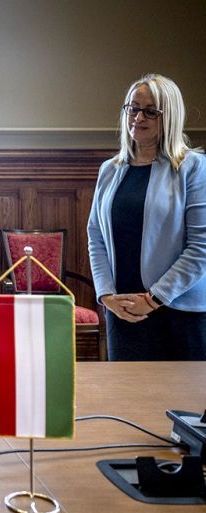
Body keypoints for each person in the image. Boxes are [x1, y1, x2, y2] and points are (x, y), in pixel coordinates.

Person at [88, 74, 206, 361]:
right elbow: (96, 237)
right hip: (123, 311)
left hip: (180, 314)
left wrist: (153, 299)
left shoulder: (193, 167)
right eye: (133, 108)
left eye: (151, 111)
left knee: (182, 392)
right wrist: (106, 295)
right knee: (126, 391)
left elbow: (201, 247)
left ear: (169, 117)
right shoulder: (110, 170)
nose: (138, 117)